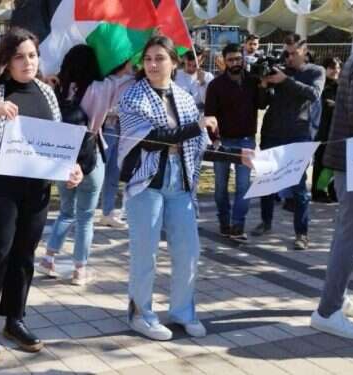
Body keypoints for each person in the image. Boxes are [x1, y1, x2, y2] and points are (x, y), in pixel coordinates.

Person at [0, 27, 83, 363]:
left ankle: (15, 319)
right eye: (19, 56)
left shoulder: (46, 92)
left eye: (32, 55)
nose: (27, 62)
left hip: (36, 192)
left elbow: (57, 142)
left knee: (24, 257)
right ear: (6, 60)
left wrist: (71, 169)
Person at [118, 36, 253, 341]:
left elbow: (199, 146)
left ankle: (183, 310)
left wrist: (237, 156)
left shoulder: (184, 97)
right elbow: (152, 139)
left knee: (188, 252)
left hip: (181, 185)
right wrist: (197, 126)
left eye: (160, 58)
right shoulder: (132, 97)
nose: (152, 64)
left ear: (174, 62)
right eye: (148, 59)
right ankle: (140, 313)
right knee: (145, 254)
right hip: (146, 185)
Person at [251, 34, 325, 250]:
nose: (289, 57)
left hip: (298, 134)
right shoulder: (278, 69)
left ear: (305, 50)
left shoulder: (315, 71)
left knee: (299, 187)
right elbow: (263, 104)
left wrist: (286, 80)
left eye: (294, 53)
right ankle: (265, 222)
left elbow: (313, 94)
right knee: (266, 182)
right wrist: (264, 85)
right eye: (287, 53)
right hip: (272, 133)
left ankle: (301, 233)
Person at [39, 44, 104, 286]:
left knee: (66, 211)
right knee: (86, 217)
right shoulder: (99, 88)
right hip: (89, 157)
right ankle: (80, 269)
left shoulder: (55, 88)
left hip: (62, 158)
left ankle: (48, 258)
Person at [309, 47, 353, 340]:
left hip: (348, 158)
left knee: (346, 233)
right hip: (352, 158)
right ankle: (327, 311)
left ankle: (336, 297)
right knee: (349, 236)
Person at [204, 43, 267, 241]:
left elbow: (262, 104)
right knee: (221, 187)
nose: (235, 63)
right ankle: (224, 221)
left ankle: (238, 225)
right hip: (223, 142)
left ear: (243, 59)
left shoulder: (253, 81)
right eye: (231, 60)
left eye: (238, 59)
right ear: (224, 61)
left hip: (246, 141)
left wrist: (264, 86)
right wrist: (215, 140)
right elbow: (209, 115)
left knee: (243, 186)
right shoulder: (215, 85)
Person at [90, 60, 134, 229]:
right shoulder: (107, 82)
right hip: (107, 129)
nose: (132, 65)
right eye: (129, 63)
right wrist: (117, 110)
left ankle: (107, 213)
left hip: (121, 130)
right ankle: (86, 209)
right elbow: (100, 106)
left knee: (114, 173)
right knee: (98, 169)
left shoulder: (131, 81)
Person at [311, 56, 341, 203]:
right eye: (332, 67)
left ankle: (333, 191)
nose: (335, 71)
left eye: (337, 68)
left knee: (334, 164)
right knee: (321, 163)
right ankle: (318, 192)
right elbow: (325, 105)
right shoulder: (321, 85)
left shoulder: (341, 86)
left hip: (337, 131)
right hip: (322, 131)